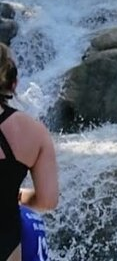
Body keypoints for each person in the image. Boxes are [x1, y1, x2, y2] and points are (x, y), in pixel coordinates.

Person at [0, 43, 58, 261]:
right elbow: (47, 200)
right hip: (7, 243)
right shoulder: (33, 131)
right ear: (13, 84)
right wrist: (17, 195)